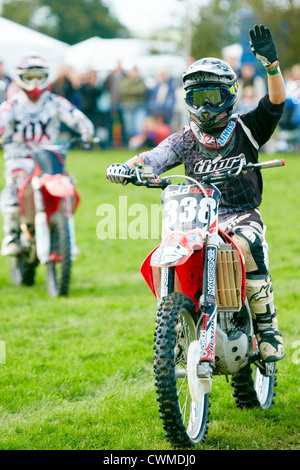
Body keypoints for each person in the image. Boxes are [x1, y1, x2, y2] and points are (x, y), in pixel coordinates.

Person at [106, 24, 285, 363]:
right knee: (165, 255)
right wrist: (128, 167)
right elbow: (153, 158)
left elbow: (275, 102)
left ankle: (266, 326)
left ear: (229, 95)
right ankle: (174, 326)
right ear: (186, 99)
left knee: (249, 243)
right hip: (195, 220)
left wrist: (271, 66)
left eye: (213, 96)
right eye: (197, 96)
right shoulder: (184, 139)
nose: (205, 105)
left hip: (240, 214)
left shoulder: (248, 128)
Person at [0, 54, 94, 256]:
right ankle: (12, 235)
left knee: (67, 184)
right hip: (19, 156)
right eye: (29, 77)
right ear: (20, 78)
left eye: (39, 77)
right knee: (14, 186)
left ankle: (63, 231)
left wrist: (87, 132)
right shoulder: (13, 104)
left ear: (46, 77)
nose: (34, 83)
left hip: (49, 155)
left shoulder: (55, 102)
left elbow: (75, 115)